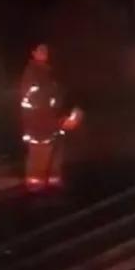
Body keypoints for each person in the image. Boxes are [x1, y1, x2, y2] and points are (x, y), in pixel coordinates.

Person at [20, 44, 82, 192]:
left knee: (54, 153)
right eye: (40, 50)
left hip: (52, 124)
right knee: (39, 155)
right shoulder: (32, 75)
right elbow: (36, 104)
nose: (44, 53)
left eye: (45, 50)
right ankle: (35, 185)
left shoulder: (49, 73)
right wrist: (58, 121)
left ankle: (53, 182)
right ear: (33, 53)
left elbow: (56, 99)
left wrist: (67, 117)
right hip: (39, 126)